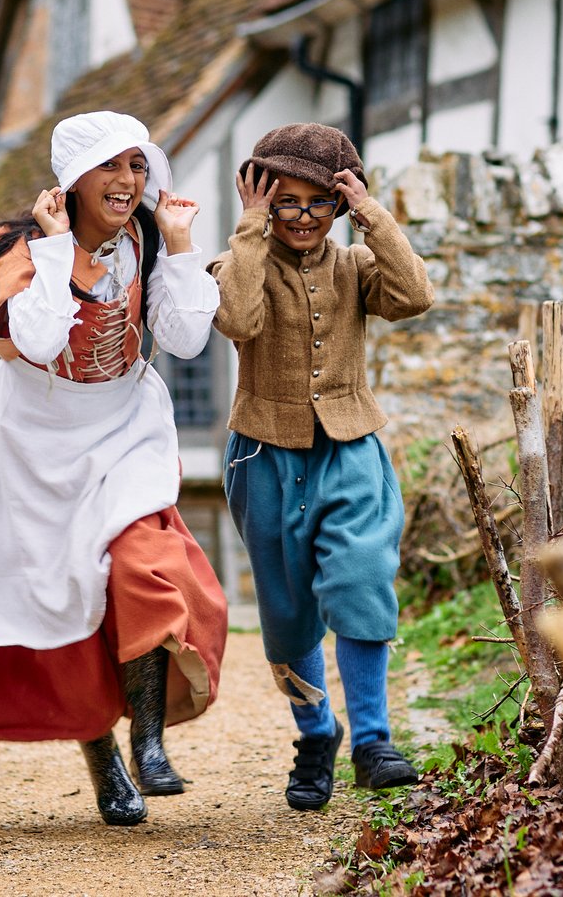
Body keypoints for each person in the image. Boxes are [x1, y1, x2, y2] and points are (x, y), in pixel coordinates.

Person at [0, 111, 228, 827]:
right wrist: (61, 251)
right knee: (62, 598)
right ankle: (104, 766)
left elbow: (187, 339)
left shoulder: (147, 238)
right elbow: (31, 340)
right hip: (34, 439)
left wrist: (184, 248)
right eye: (111, 166)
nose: (128, 181)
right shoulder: (21, 246)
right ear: (74, 179)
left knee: (144, 567)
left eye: (137, 165)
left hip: (122, 425)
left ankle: (149, 741)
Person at [207, 123, 435, 810]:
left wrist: (372, 214)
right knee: (286, 610)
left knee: (363, 576)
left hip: (350, 447)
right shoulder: (237, 261)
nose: (304, 218)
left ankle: (373, 740)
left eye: (320, 203)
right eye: (287, 203)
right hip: (264, 455)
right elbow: (238, 320)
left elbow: (415, 296)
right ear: (263, 202)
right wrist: (247, 228)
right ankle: (315, 734)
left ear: (338, 206)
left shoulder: (356, 265)